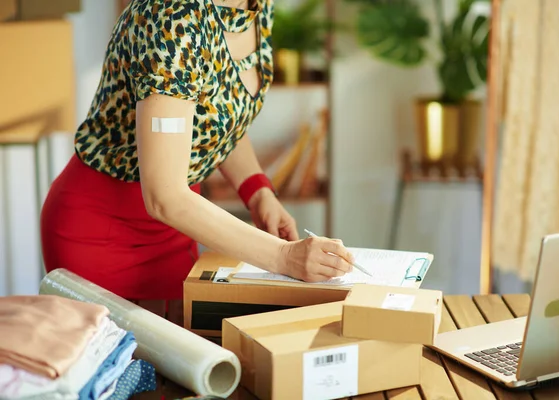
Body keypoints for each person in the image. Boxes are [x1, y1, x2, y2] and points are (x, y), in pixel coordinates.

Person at [40, 0, 354, 304]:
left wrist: (258, 191)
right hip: (100, 233)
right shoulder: (170, 17)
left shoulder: (258, 7)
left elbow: (216, 116)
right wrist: (284, 257)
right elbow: (164, 197)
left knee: (187, 353)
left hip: (178, 225)